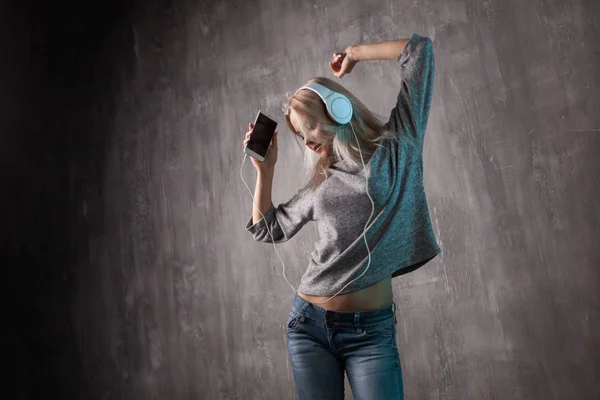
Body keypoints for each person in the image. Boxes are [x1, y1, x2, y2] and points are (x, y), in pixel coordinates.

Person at [243, 33, 440, 400]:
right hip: (308, 327)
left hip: (371, 333)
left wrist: (355, 54)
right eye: (300, 136)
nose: (307, 142)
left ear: (338, 110)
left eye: (309, 128)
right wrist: (264, 171)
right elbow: (267, 227)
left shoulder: (400, 143)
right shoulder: (321, 183)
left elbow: (420, 52)